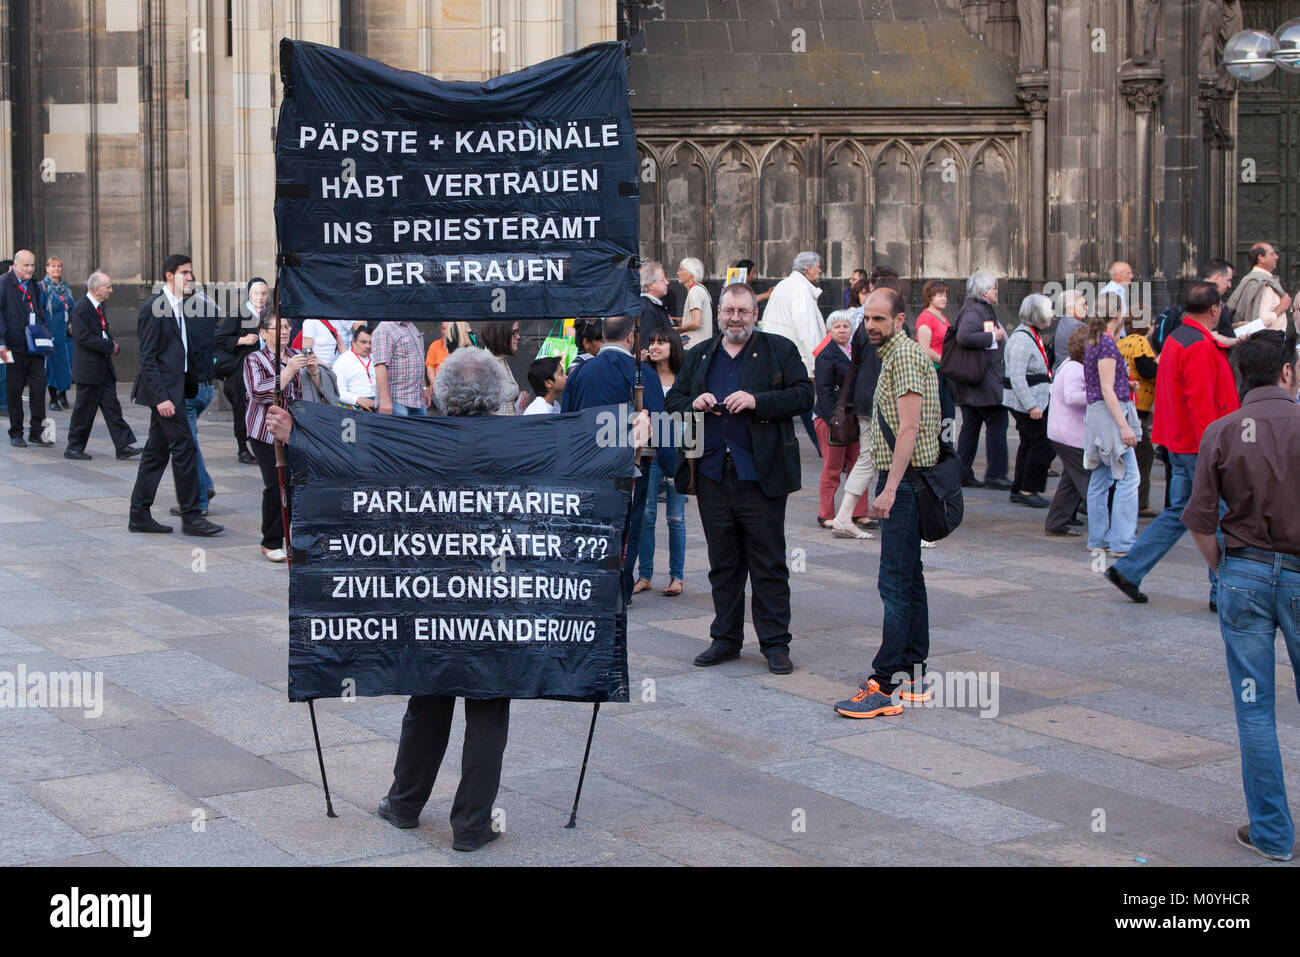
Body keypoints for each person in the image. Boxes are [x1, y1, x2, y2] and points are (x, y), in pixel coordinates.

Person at [373, 346, 519, 851]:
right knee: (487, 707)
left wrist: (293, 432)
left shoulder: (416, 441)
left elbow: (354, 458)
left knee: (428, 699)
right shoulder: (519, 441)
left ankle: (405, 803)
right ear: (497, 393)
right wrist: (625, 440)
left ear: (441, 392)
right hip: (495, 597)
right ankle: (471, 825)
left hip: (433, 596)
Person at [1183, 330, 1300, 863]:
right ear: (1287, 372)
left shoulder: (1223, 430)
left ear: (1240, 377)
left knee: (1255, 711)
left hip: (1244, 574)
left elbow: (1200, 520)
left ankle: (1273, 835)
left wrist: (1224, 569)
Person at [665, 283, 813, 675]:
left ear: (754, 314)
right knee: (723, 564)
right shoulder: (699, 356)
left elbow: (804, 396)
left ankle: (775, 644)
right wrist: (692, 403)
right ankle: (725, 639)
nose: (735, 318)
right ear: (718, 316)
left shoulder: (778, 350)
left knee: (768, 563)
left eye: (743, 311)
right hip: (713, 475)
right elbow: (673, 402)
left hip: (761, 476)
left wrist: (757, 400)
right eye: (729, 311)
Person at [833, 287, 941, 719]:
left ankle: (885, 683)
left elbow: (910, 428)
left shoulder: (907, 357)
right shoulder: (891, 356)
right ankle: (913, 674)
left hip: (908, 484)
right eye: (868, 319)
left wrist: (891, 487)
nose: (872, 326)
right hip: (907, 482)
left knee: (894, 583)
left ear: (900, 320)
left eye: (880, 319)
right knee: (909, 578)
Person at [1106, 282, 1240, 605]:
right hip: (1197, 445)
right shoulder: (1198, 345)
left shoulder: (1179, 337)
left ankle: (1129, 570)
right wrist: (1216, 450)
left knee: (1179, 512)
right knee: (1222, 515)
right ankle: (1221, 589)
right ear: (1214, 310)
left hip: (1181, 441)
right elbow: (1201, 403)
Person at [562, 314, 671, 602]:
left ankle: (591, 584)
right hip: (631, 463)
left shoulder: (580, 373)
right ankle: (621, 586)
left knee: (591, 522)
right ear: (630, 338)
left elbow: (567, 421)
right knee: (629, 525)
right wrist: (674, 468)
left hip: (589, 463)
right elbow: (660, 424)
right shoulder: (644, 373)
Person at [127, 253, 223, 536]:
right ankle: (193, 517)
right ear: (169, 275)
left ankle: (139, 514)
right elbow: (147, 358)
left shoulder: (180, 305)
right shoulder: (153, 308)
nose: (190, 278)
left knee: (156, 454)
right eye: (185, 272)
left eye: (191, 273)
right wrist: (161, 398)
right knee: (185, 449)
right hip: (166, 395)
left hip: (179, 389)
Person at [244, 311, 318, 561]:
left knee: (298, 484)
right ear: (263, 334)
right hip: (266, 431)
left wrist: (315, 371)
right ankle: (271, 541)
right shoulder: (255, 359)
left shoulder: (297, 355)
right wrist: (287, 372)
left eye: (286, 326)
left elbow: (315, 389)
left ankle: (296, 538)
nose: (284, 331)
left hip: (296, 430)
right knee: (276, 483)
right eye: (277, 328)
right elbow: (258, 391)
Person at [1081, 293, 1139, 558]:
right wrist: (1124, 425)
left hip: (1097, 413)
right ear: (1118, 314)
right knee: (1128, 476)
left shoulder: (1096, 341)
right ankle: (1122, 541)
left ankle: (1098, 538)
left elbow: (1102, 383)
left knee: (1101, 476)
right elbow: (1105, 387)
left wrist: (1125, 385)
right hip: (1108, 414)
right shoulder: (1106, 343)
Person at [63, 271, 141, 461]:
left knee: (112, 408)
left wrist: (113, 344)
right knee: (84, 411)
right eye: (108, 286)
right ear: (96, 289)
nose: (111, 290)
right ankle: (73, 447)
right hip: (89, 370)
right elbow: (83, 337)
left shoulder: (98, 306)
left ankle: (123, 446)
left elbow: (103, 331)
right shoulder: (81, 308)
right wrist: (109, 346)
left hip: (103, 368)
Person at [830, 279, 884, 539]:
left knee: (869, 458)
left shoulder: (864, 325)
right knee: (869, 458)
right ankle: (843, 516)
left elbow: (857, 363)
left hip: (865, 400)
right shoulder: (880, 327)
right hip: (876, 403)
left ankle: (844, 516)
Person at [634, 327, 687, 596]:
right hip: (649, 452)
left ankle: (677, 576)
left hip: (678, 452)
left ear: (673, 346)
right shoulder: (643, 374)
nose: (654, 346)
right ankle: (645, 575)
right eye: (651, 342)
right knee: (647, 514)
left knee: (676, 516)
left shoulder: (685, 377)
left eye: (661, 343)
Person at [761, 251, 826, 456]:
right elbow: (807, 328)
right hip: (794, 356)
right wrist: (817, 360)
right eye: (818, 266)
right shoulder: (799, 289)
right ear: (808, 268)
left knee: (789, 402)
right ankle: (823, 446)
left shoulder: (785, 285)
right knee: (805, 401)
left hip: (778, 353)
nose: (820, 270)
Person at [951, 271, 1011, 489]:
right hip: (983, 381)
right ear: (985, 290)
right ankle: (996, 474)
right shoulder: (976, 311)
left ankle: (962, 472)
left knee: (971, 427)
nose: (996, 290)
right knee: (997, 423)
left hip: (977, 381)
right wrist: (992, 337)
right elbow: (964, 336)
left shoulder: (976, 308)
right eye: (994, 287)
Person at [814, 314, 870, 530]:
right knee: (833, 467)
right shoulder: (826, 355)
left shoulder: (854, 352)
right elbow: (824, 391)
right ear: (829, 330)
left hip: (853, 416)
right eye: (837, 326)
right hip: (833, 419)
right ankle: (825, 513)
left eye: (846, 326)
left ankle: (859, 512)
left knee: (859, 463)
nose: (842, 330)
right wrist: (832, 421)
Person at [1003, 293, 1055, 508]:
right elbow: (1016, 376)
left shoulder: (1031, 334)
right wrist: (1031, 405)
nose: (1052, 314)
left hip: (1036, 399)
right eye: (1048, 310)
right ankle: (1028, 488)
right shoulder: (1022, 339)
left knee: (1029, 442)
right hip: (1028, 402)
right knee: (1042, 444)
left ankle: (1019, 488)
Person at [174, 274, 219, 517]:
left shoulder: (182, 315)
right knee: (189, 440)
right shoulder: (210, 311)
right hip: (207, 387)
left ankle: (199, 500)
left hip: (190, 389)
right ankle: (205, 484)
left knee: (187, 445)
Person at [0, 250, 52, 448]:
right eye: (26, 266)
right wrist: (1, 343)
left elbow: (39, 310)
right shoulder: (3, 283)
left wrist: (44, 330)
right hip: (13, 346)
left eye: (32, 265)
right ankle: (16, 432)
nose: (30, 269)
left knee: (39, 387)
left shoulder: (34, 285)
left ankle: (37, 431)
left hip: (35, 346)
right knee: (14, 390)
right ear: (15, 265)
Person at [215, 277, 267, 464]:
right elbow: (219, 337)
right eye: (256, 293)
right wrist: (241, 340)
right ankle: (242, 449)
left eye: (264, 293)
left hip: (264, 369)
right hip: (241, 371)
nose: (260, 297)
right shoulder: (239, 314)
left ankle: (263, 446)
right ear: (249, 294)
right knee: (241, 409)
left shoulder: (269, 315)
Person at [1044, 327, 1089, 537]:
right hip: (1070, 435)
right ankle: (1109, 522)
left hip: (1061, 433)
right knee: (1090, 480)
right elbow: (1072, 397)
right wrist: (1097, 393)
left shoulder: (1069, 365)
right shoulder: (1075, 369)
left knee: (1070, 481)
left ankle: (1057, 521)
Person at [1117, 306, 1159, 517]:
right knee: (1144, 455)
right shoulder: (1141, 342)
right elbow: (1147, 369)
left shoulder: (1121, 342)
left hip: (1127, 404)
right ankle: (1141, 503)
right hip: (1139, 405)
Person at [1226, 242, 1292, 332]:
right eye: (1272, 254)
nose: (1277, 257)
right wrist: (1281, 307)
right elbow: (1261, 320)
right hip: (1268, 341)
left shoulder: (1252, 280)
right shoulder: (1262, 283)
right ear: (1261, 258)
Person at [372, 319, 430, 416]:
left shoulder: (412, 327)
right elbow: (380, 366)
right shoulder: (384, 329)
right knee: (398, 431)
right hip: (396, 401)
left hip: (417, 400)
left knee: (420, 431)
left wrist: (424, 389)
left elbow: (417, 362)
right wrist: (385, 400)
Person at [916, 280, 954, 423]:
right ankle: (938, 444)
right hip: (934, 371)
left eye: (944, 295)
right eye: (939, 295)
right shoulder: (926, 317)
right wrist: (944, 361)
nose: (944, 298)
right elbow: (925, 348)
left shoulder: (942, 317)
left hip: (944, 371)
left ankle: (947, 443)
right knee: (937, 412)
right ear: (929, 297)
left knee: (949, 412)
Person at [38, 257, 74, 410]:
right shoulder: (43, 286)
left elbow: (72, 306)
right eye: (53, 266)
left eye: (59, 266)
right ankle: (53, 398)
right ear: (47, 268)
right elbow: (39, 309)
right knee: (52, 365)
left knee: (67, 362)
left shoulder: (66, 287)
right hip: (51, 330)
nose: (56, 269)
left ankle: (63, 394)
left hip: (66, 331)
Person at [479, 321, 523, 415]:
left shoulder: (502, 359)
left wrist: (517, 398)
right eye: (514, 333)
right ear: (501, 334)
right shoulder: (485, 365)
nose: (518, 337)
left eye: (518, 332)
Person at [332, 323, 376, 410]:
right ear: (353, 342)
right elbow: (339, 392)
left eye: (370, 343)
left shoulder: (375, 357)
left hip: (377, 401)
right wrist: (358, 399)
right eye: (363, 342)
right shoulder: (342, 361)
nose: (368, 346)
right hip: (355, 405)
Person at [675, 257, 713, 347]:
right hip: (700, 345)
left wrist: (677, 329)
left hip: (694, 346)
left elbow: (696, 323)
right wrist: (679, 319)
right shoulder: (700, 289)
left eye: (680, 269)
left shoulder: (695, 291)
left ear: (690, 273)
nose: (677, 273)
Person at [638, 261, 677, 342]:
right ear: (650, 285)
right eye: (662, 280)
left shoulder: (652, 306)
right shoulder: (647, 310)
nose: (667, 282)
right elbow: (647, 343)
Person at [1052, 288, 1089, 371]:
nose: (1086, 308)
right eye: (1082, 305)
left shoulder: (1064, 321)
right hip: (1071, 373)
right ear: (1070, 308)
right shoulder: (1077, 326)